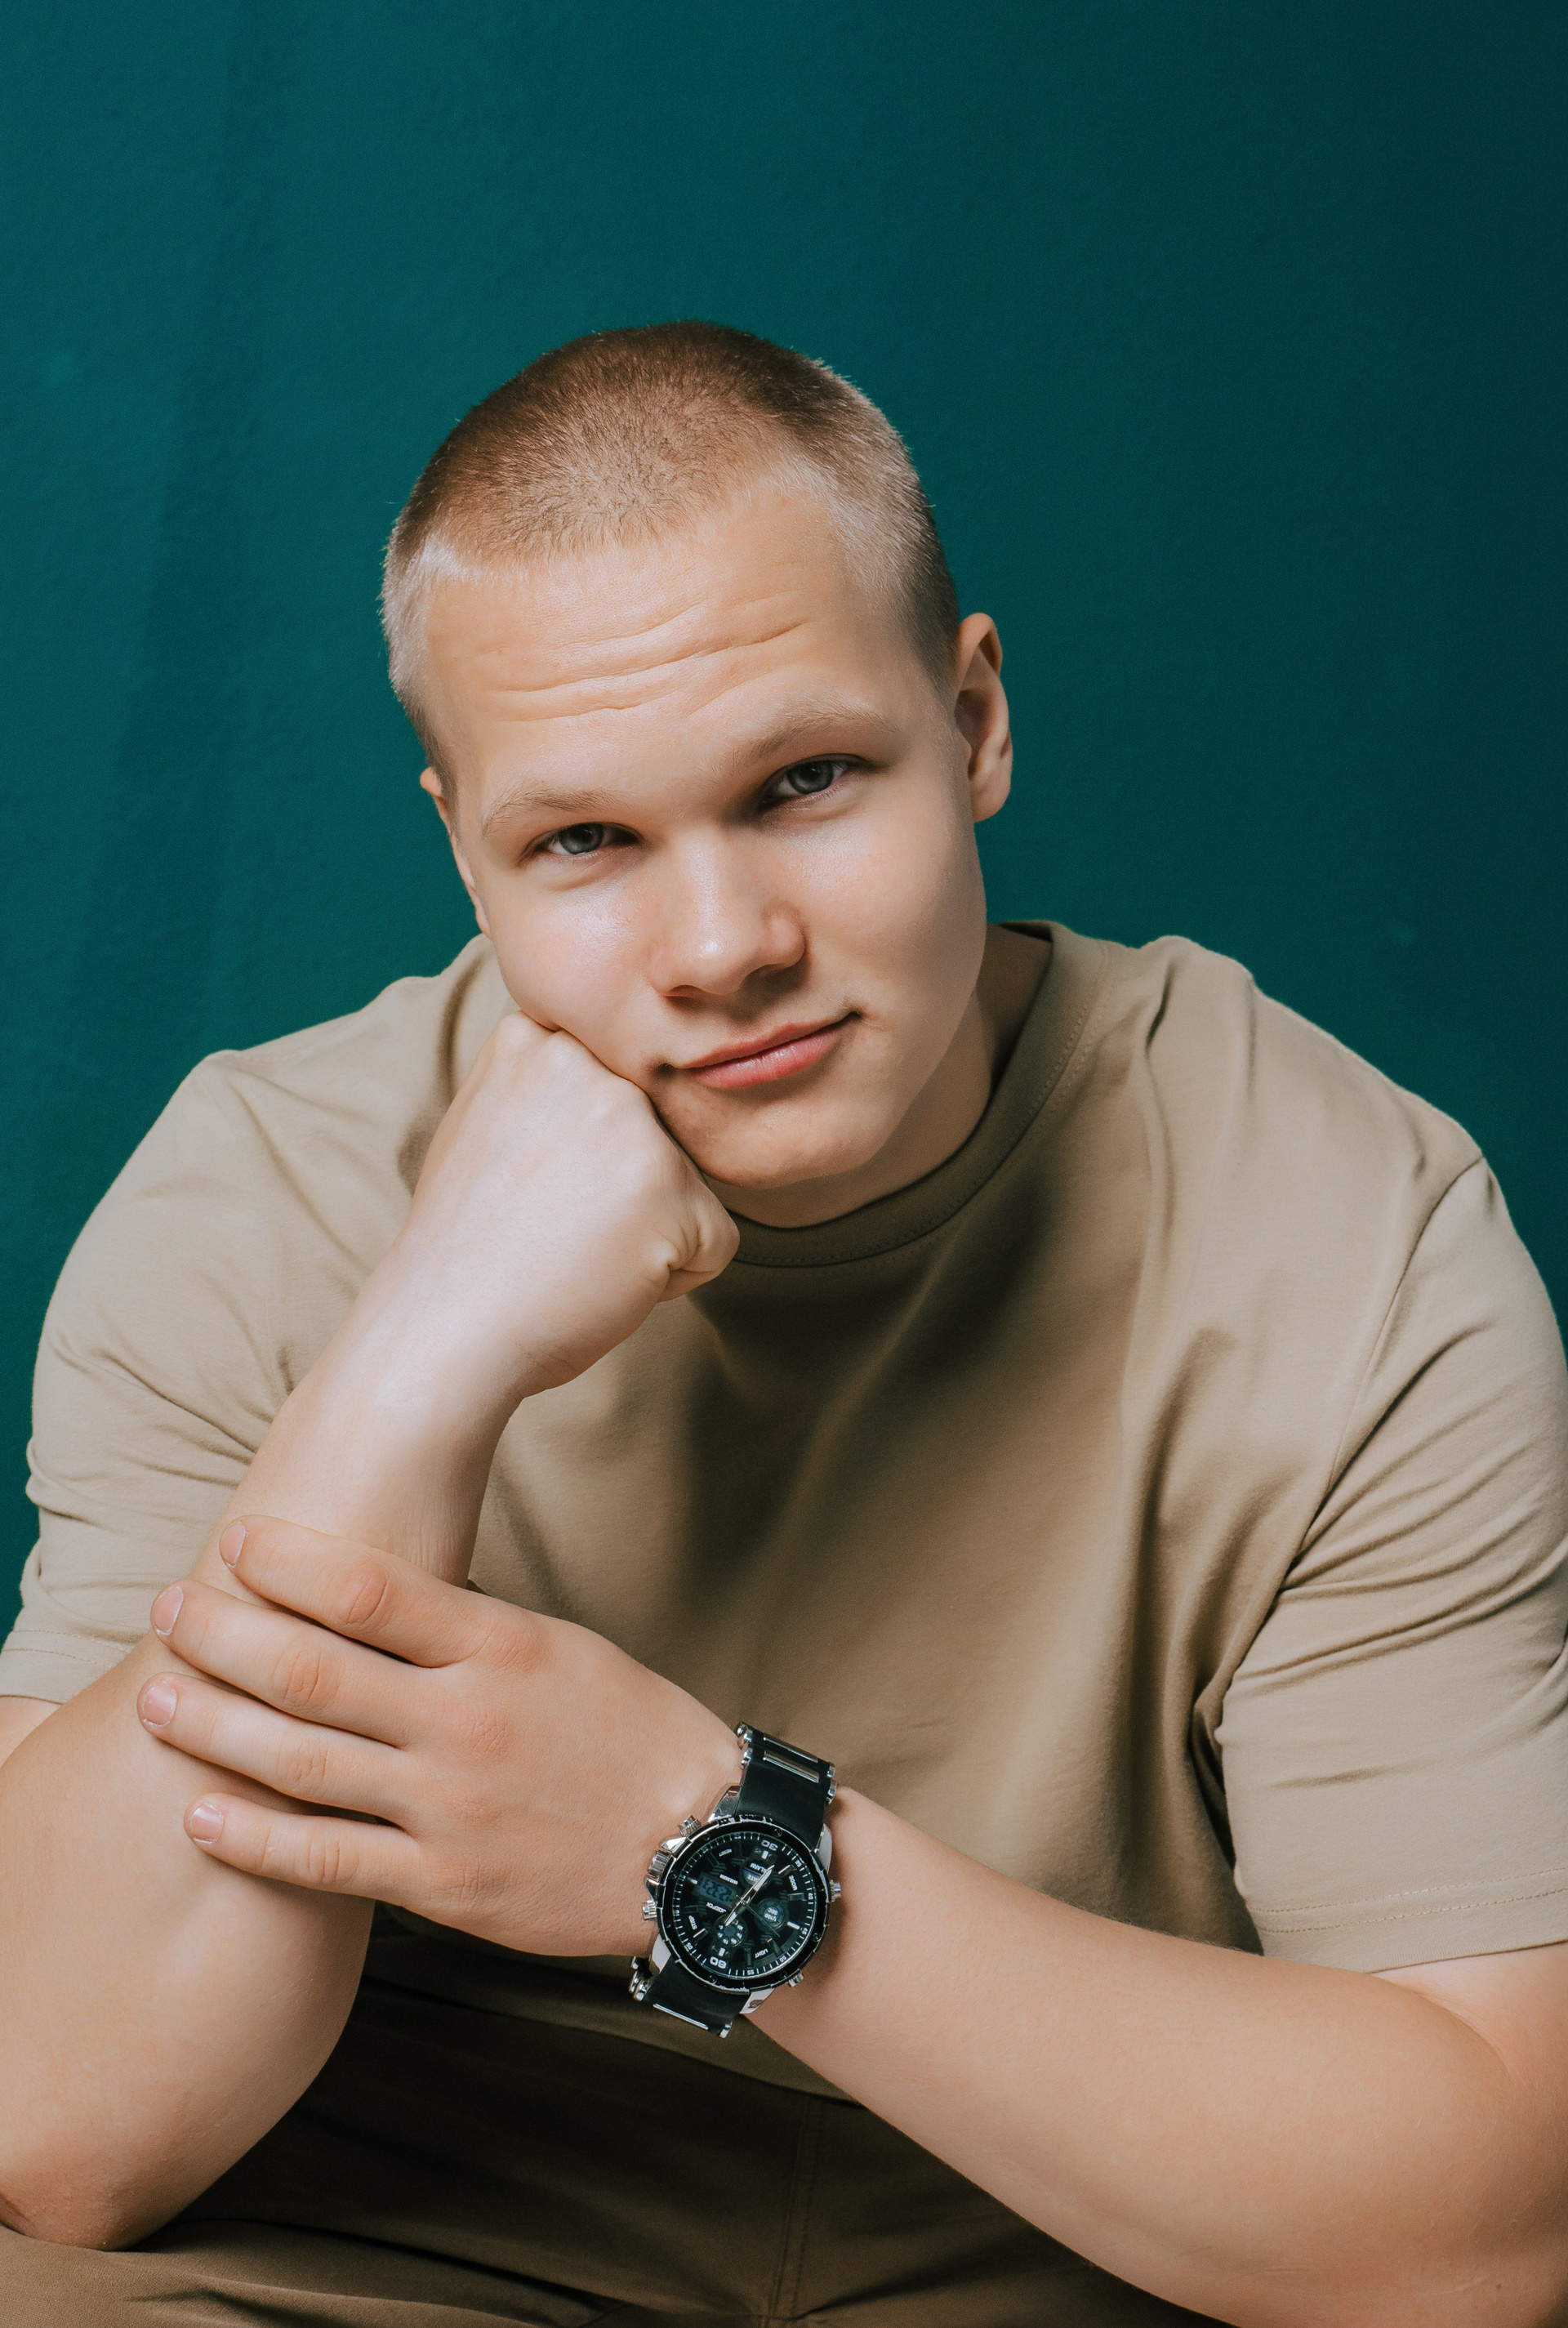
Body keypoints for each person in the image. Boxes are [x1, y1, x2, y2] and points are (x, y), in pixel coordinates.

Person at [0, 322, 1565, 2328]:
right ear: (463, 845)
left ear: (974, 722)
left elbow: (1480, 2241)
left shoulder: (1349, 1231)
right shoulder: (260, 1191)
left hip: (1080, 2254)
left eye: (805, 781)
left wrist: (696, 1839)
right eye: (584, 842)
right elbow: (59, 2125)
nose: (725, 947)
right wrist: (414, 1365)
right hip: (372, 2246)